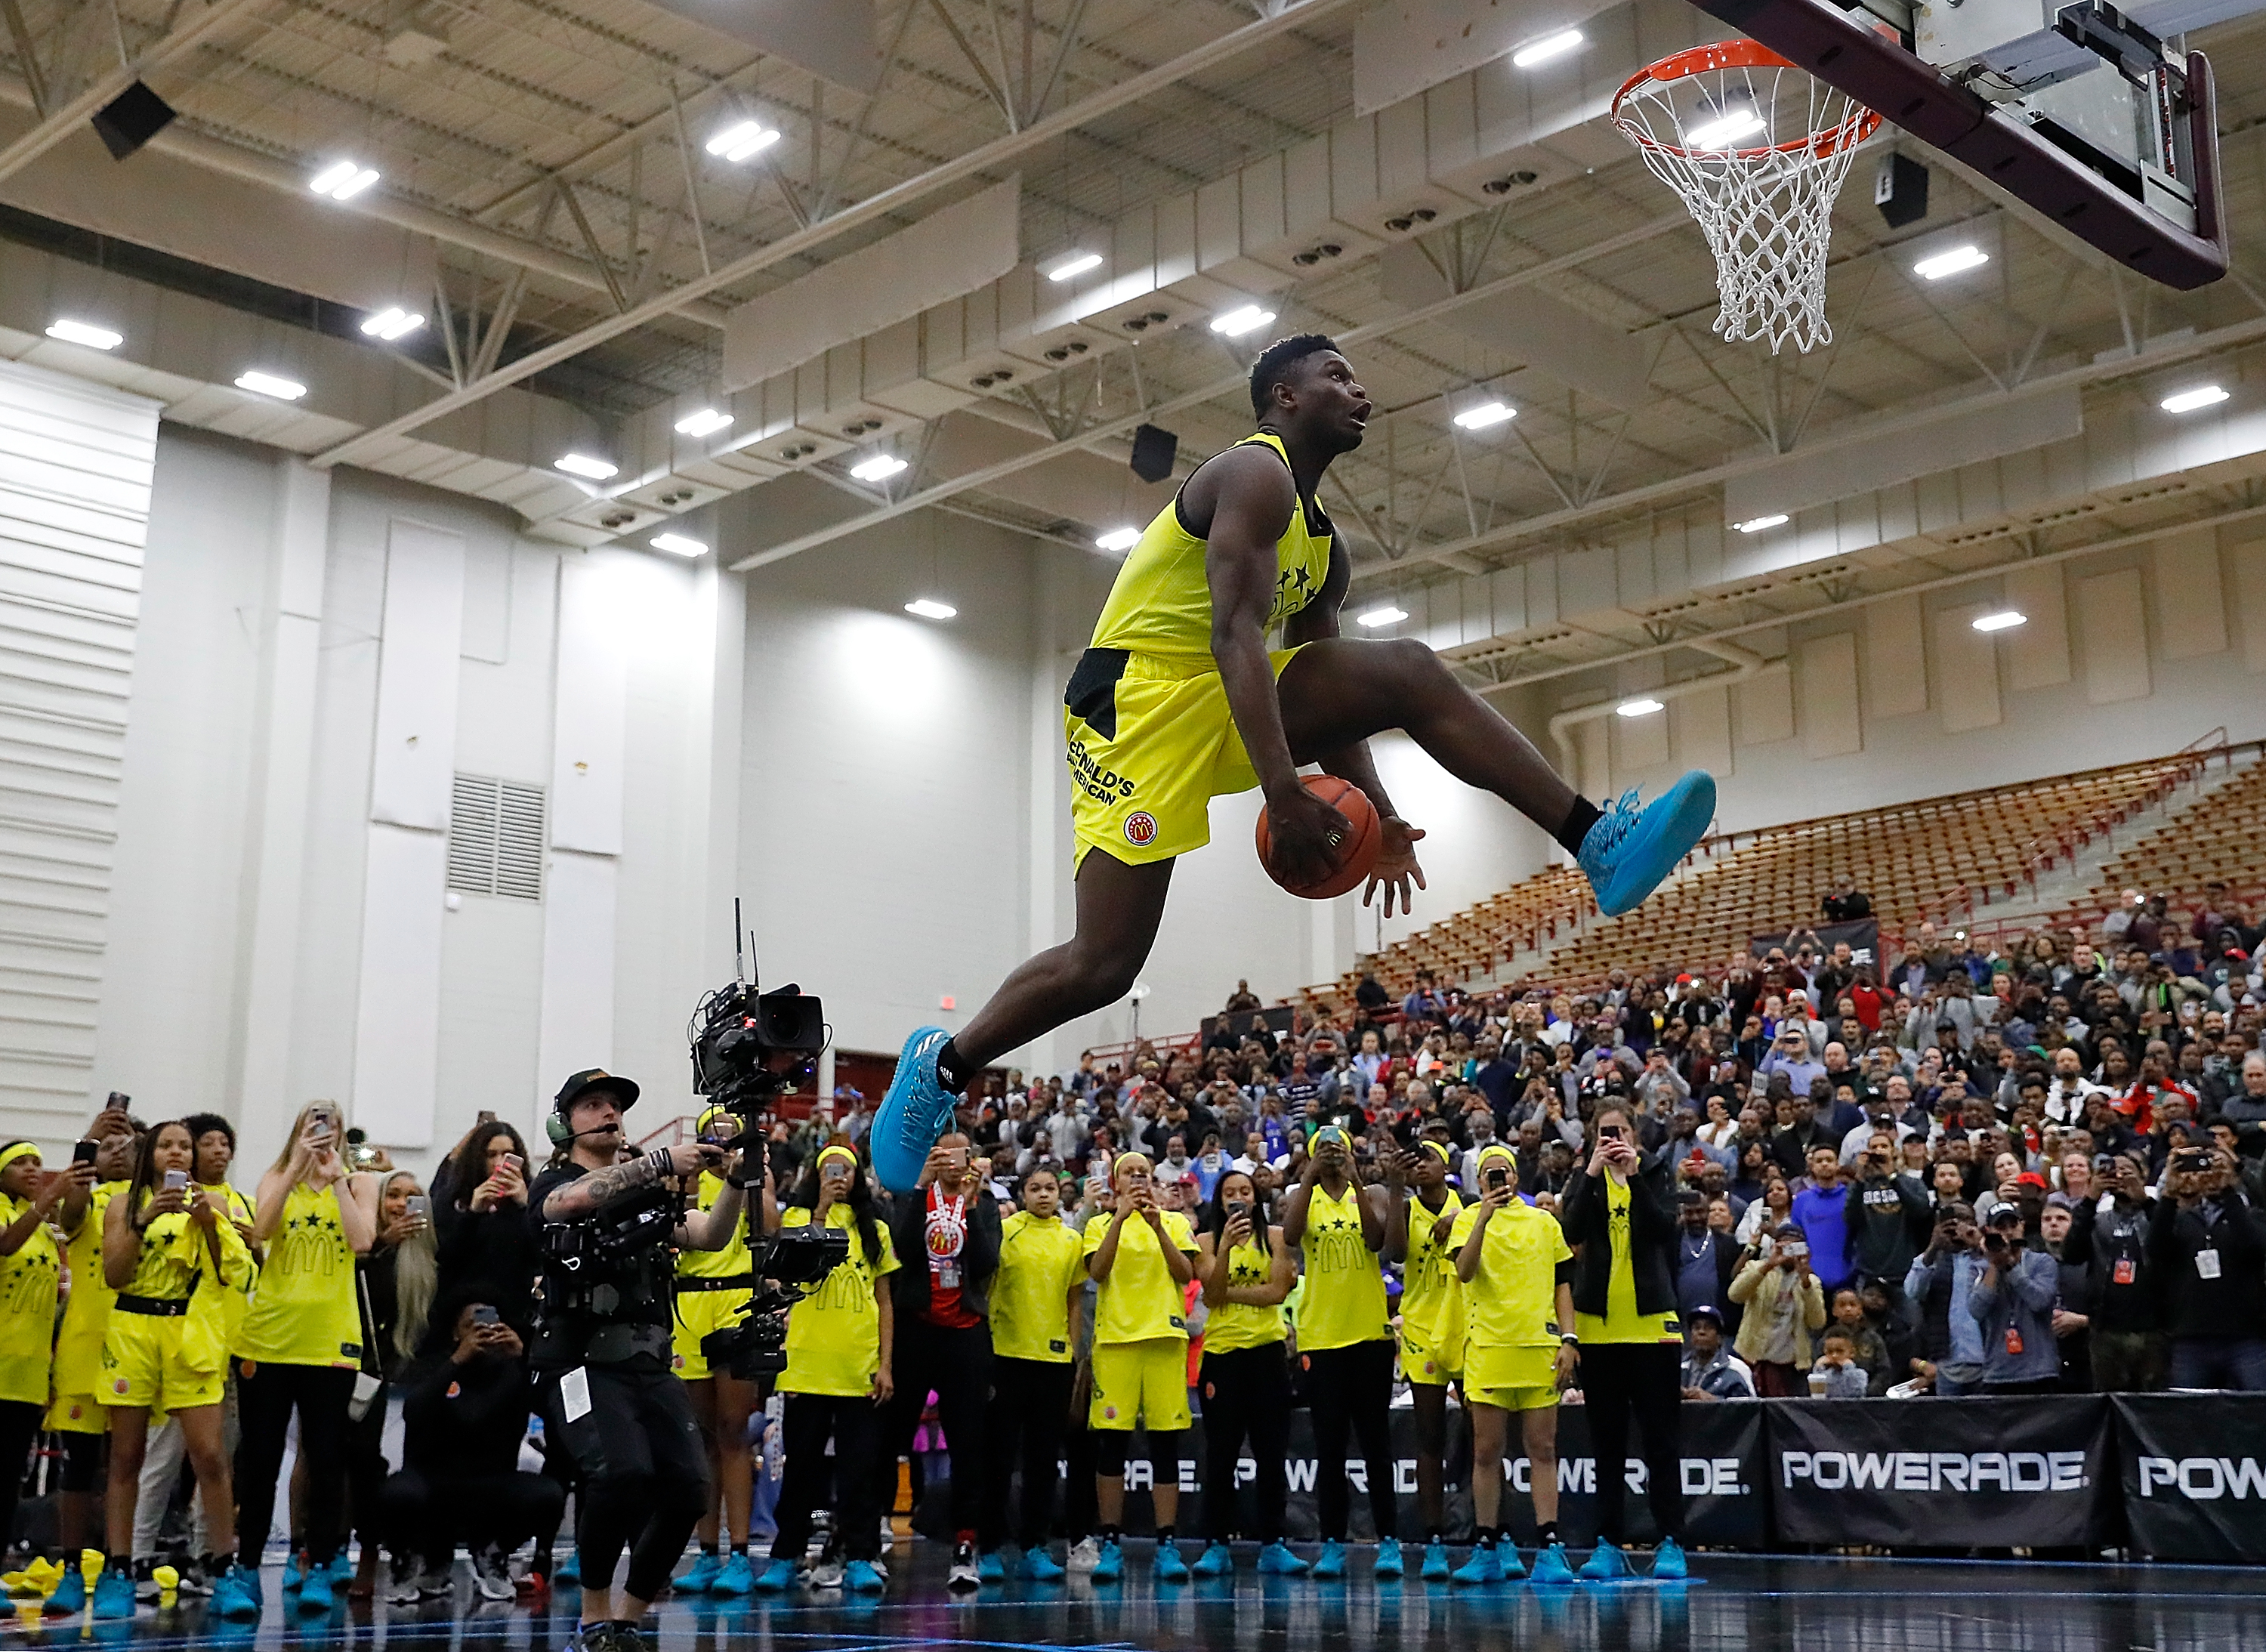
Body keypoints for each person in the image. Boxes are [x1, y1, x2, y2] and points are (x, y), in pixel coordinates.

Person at [873, 337, 1716, 1192]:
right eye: (1339, 377)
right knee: (1104, 965)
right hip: (1135, 703)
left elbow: (1335, 693)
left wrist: (1379, 814)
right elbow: (1233, 632)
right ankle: (943, 1069)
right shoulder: (1252, 474)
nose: (1363, 392)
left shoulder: (1327, 549)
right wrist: (1279, 790)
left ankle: (1595, 840)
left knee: (1411, 672)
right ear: (1283, 395)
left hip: (1229, 695)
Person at [529, 1069, 746, 1648]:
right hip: (579, 1360)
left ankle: (629, 1616)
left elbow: (708, 1234)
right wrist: (658, 1165)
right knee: (619, 1473)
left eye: (615, 1106)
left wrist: (740, 1183)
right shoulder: (555, 1178)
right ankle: (594, 1615)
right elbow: (568, 1202)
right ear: (563, 1122)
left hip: (648, 1364)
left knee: (688, 1486)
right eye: (592, 1105)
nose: (609, 1113)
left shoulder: (645, 1193)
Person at [96, 1122, 256, 1620]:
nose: (177, 1151)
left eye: (185, 1145)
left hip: (189, 1329)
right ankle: (120, 1568)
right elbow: (114, 1274)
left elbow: (233, 1271)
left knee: (209, 1455)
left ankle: (223, 1566)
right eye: (167, 1143)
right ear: (150, 1151)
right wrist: (144, 1219)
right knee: (126, 1456)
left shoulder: (217, 1202)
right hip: (133, 1328)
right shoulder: (124, 1203)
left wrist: (209, 1222)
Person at [230, 1101, 380, 1616]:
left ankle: (318, 1563)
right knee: (262, 1457)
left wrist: (336, 1179)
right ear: (297, 1131)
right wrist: (297, 1168)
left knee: (326, 1456)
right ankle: (246, 1567)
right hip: (269, 1339)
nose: (322, 1132)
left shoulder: (360, 1183)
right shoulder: (276, 1176)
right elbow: (260, 1232)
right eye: (312, 1124)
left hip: (330, 1341)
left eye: (330, 1125)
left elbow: (363, 1241)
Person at [758, 1142, 896, 1594]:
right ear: (816, 1175)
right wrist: (819, 1210)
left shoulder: (874, 1229)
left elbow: (884, 1301)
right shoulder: (797, 1221)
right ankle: (787, 1553)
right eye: (830, 1169)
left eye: (847, 1170)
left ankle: (859, 1554)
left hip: (858, 1365)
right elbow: (797, 1275)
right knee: (802, 1468)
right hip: (807, 1365)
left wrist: (886, 1365)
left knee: (859, 1470)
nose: (839, 1176)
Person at [1560, 1104, 1688, 1580]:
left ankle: (1671, 1541)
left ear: (1635, 1135)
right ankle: (1609, 1543)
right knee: (1606, 1445)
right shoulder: (1586, 1177)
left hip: (1652, 1327)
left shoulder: (1654, 1172)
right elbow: (1567, 1232)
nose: (1612, 1140)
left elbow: (1662, 1229)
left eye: (1619, 1132)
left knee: (1661, 1443)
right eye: (1603, 1133)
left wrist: (1631, 1178)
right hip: (1599, 1331)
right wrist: (1592, 1175)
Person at [1449, 1143, 1579, 1585]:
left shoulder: (1544, 1222)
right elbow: (1464, 1272)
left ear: (1517, 1178)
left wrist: (1568, 1338)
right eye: (1488, 1173)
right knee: (1486, 1451)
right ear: (1479, 1181)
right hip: (1488, 1349)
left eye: (1503, 1171)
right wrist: (1482, 1216)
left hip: (1538, 1350)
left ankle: (1549, 1548)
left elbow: (1563, 1284)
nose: (1497, 1178)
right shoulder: (1468, 1219)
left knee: (1542, 1449)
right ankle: (1486, 1546)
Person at [380, 1295, 563, 1602]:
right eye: (471, 1327)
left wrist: (524, 1359)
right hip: (431, 1482)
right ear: (455, 1333)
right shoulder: (435, 1365)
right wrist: (456, 1362)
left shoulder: (513, 1370)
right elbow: (414, 1411)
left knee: (548, 1494)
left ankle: (493, 1552)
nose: (482, 1334)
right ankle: (413, 1561)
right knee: (395, 1493)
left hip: (490, 1484)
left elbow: (553, 1409)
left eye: (490, 1326)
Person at [881, 1131, 999, 1590]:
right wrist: (918, 1188)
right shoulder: (913, 1198)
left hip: (965, 1334)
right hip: (917, 1328)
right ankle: (876, 1532)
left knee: (968, 1443)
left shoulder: (984, 1205)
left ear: (971, 1159)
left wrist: (969, 1206)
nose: (953, 1160)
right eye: (943, 1153)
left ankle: (966, 1543)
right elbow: (904, 1250)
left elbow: (987, 1263)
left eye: (960, 1153)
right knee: (894, 1432)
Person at [1282, 1124, 1401, 1579]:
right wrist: (1309, 1177)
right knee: (1329, 1449)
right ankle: (1332, 1542)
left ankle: (1388, 1541)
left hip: (1369, 1333)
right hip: (1322, 1337)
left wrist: (1353, 1179)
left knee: (1376, 1445)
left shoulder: (1368, 1193)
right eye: (1324, 1150)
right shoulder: (1303, 1196)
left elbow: (1379, 1245)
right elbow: (1292, 1240)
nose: (1333, 1156)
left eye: (1339, 1149)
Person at [1082, 1150, 1199, 1583]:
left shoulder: (1174, 1222)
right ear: (1116, 1184)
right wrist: (1120, 1218)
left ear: (1154, 1180)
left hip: (1165, 1341)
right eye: (1128, 1174)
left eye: (1143, 1174)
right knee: (1112, 1447)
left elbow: (1186, 1273)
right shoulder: (1098, 1224)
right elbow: (1098, 1270)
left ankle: (1166, 1543)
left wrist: (1155, 1225)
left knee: (1165, 1447)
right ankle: (1110, 1542)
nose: (1137, 1180)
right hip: (1116, 1343)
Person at [1190, 1169, 1303, 1579]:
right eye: (1230, 1192)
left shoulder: (1274, 1237)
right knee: (1220, 1454)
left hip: (1267, 1353)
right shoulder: (1204, 1242)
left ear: (1256, 1198)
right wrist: (1223, 1250)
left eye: (1245, 1191)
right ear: (1219, 1200)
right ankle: (1215, 1544)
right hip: (1222, 1355)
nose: (1238, 1197)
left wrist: (1226, 1293)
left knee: (1272, 1454)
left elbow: (1275, 1293)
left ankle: (1273, 1543)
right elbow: (1211, 1289)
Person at [671, 1108, 764, 1600]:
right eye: (714, 1136)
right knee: (701, 1434)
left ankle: (741, 1553)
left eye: (731, 1136)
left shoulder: (749, 1176)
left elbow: (768, 1222)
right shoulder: (683, 1180)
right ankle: (706, 1552)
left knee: (734, 1430)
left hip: (735, 1301)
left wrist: (752, 1170)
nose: (722, 1144)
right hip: (688, 1302)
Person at [44, 1106, 136, 1604]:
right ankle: (73, 1568)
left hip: (135, 1348)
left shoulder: (151, 1206)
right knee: (76, 1467)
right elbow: (71, 1211)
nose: (118, 1153)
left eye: (128, 1146)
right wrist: (87, 1142)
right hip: (83, 1348)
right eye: (110, 1147)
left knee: (124, 1464)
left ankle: (119, 1567)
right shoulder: (89, 1201)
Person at [978, 1166, 1085, 1580]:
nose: (1043, 1195)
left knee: (1043, 1462)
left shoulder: (1071, 1240)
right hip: (1006, 1358)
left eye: (1050, 1188)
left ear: (1060, 1193)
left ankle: (1035, 1546)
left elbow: (1074, 1301)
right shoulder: (1005, 1232)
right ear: (1023, 1194)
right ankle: (988, 1547)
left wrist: (1074, 1355)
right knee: (999, 1459)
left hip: (1054, 1363)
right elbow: (986, 1290)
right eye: (1035, 1188)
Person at [344, 1170, 437, 1601]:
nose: (401, 1204)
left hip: (401, 1379)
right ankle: (332, 1550)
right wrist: (384, 1245)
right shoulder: (364, 1252)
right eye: (393, 1195)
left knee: (377, 1465)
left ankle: (383, 1551)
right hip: (358, 1371)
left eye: (412, 1197)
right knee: (342, 1463)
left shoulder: (431, 1259)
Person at [0, 1143, 88, 1573]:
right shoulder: (8, 1212)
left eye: (37, 1162)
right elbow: (4, 1245)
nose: (32, 1168)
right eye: (19, 1163)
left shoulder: (47, 1230)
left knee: (11, 1477)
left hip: (29, 1372)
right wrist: (45, 1202)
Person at [1385, 1141, 1465, 1580]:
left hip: (1466, 1326)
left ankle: (1487, 1533)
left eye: (1427, 1158)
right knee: (1430, 1437)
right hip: (1419, 1329)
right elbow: (1396, 1253)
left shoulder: (1469, 1206)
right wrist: (1396, 1188)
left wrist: (1464, 1220)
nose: (1420, 1166)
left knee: (1482, 1439)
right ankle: (1434, 1537)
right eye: (1411, 1161)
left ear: (1446, 1166)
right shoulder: (1408, 1208)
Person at [2150, 1144, 2266, 1389]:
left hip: (2246, 1336)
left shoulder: (2252, 1216)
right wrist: (2170, 1195)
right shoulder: (2181, 1219)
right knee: (2189, 1415)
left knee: (2256, 1411)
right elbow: (2156, 1250)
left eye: (2217, 1165)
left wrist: (2229, 1191)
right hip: (2191, 1337)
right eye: (2204, 1167)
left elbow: (2254, 1248)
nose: (2209, 1174)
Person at [435, 1119, 538, 1332]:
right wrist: (473, 1212)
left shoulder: (532, 1196)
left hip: (516, 1312)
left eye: (507, 1154)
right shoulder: (453, 1197)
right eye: (491, 1155)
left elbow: (538, 1253)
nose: (500, 1163)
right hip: (461, 1310)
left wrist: (525, 1207)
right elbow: (446, 1257)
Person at [1729, 1224, 1827, 1394]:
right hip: (1753, 1357)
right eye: (1785, 1246)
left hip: (1790, 1365)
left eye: (1795, 1246)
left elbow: (1817, 1322)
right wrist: (1768, 1265)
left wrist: (1805, 1283)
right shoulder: (1756, 1268)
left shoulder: (1811, 1281)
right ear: (1775, 1246)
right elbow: (1735, 1296)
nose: (1790, 1252)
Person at [1678, 1305, 1754, 1399]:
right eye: (1697, 1328)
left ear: (1720, 1338)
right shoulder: (1677, 1367)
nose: (1701, 1332)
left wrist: (1713, 1401)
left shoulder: (1737, 1369)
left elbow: (1750, 1409)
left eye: (1709, 1328)